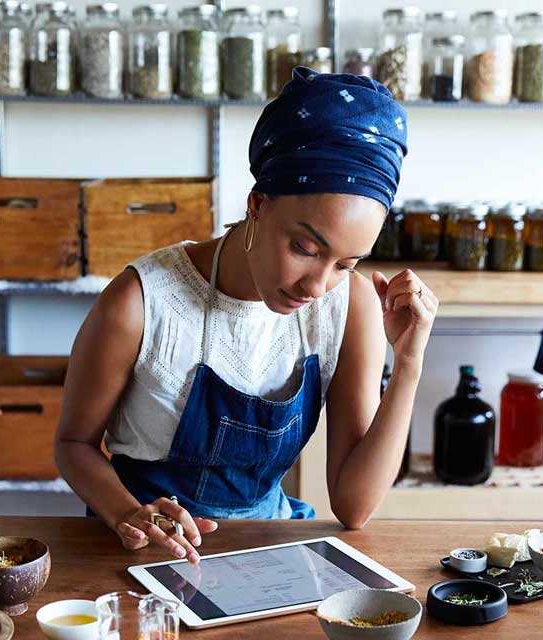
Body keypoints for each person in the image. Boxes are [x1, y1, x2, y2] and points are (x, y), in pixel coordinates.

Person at [55, 67, 437, 565]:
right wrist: (129, 513)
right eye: (304, 247)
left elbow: (354, 506)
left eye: (346, 264)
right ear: (257, 204)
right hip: (140, 550)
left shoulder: (351, 305)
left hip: (266, 549)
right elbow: (73, 444)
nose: (317, 285)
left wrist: (408, 363)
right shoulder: (141, 301)